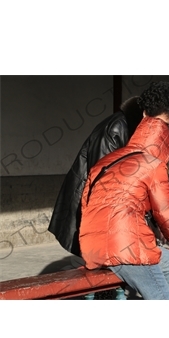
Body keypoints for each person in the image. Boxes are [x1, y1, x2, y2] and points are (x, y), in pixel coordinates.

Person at [79, 81, 169, 300]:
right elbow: (166, 213)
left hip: (92, 246)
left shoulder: (107, 161)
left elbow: (86, 202)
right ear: (165, 144)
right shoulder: (152, 163)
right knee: (162, 298)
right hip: (126, 248)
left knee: (168, 262)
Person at [48, 95, 143, 256]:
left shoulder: (131, 131)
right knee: (101, 260)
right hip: (91, 204)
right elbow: (103, 181)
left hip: (106, 210)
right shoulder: (116, 128)